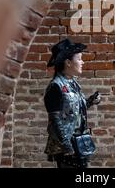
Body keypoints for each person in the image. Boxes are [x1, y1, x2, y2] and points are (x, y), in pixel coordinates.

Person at [43, 38, 101, 168]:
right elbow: (55, 120)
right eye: (79, 59)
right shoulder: (55, 86)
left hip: (79, 142)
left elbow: (72, 110)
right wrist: (67, 146)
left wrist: (90, 101)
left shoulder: (73, 83)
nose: (82, 62)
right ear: (68, 62)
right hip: (67, 148)